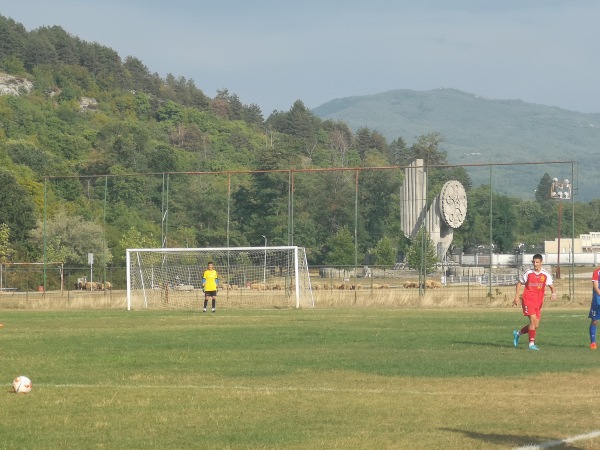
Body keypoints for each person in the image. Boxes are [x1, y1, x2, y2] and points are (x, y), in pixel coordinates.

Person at [512, 253, 557, 350]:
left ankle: (518, 333)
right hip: (528, 299)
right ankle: (531, 344)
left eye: (537, 262)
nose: (535, 264)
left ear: (541, 262)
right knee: (532, 320)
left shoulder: (545, 274)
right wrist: (516, 297)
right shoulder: (528, 273)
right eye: (534, 262)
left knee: (535, 325)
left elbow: (552, 287)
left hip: (538, 302)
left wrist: (553, 294)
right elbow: (519, 283)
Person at [588, 266, 600, 349]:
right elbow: (596, 287)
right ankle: (593, 343)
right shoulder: (597, 272)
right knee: (595, 321)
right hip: (597, 300)